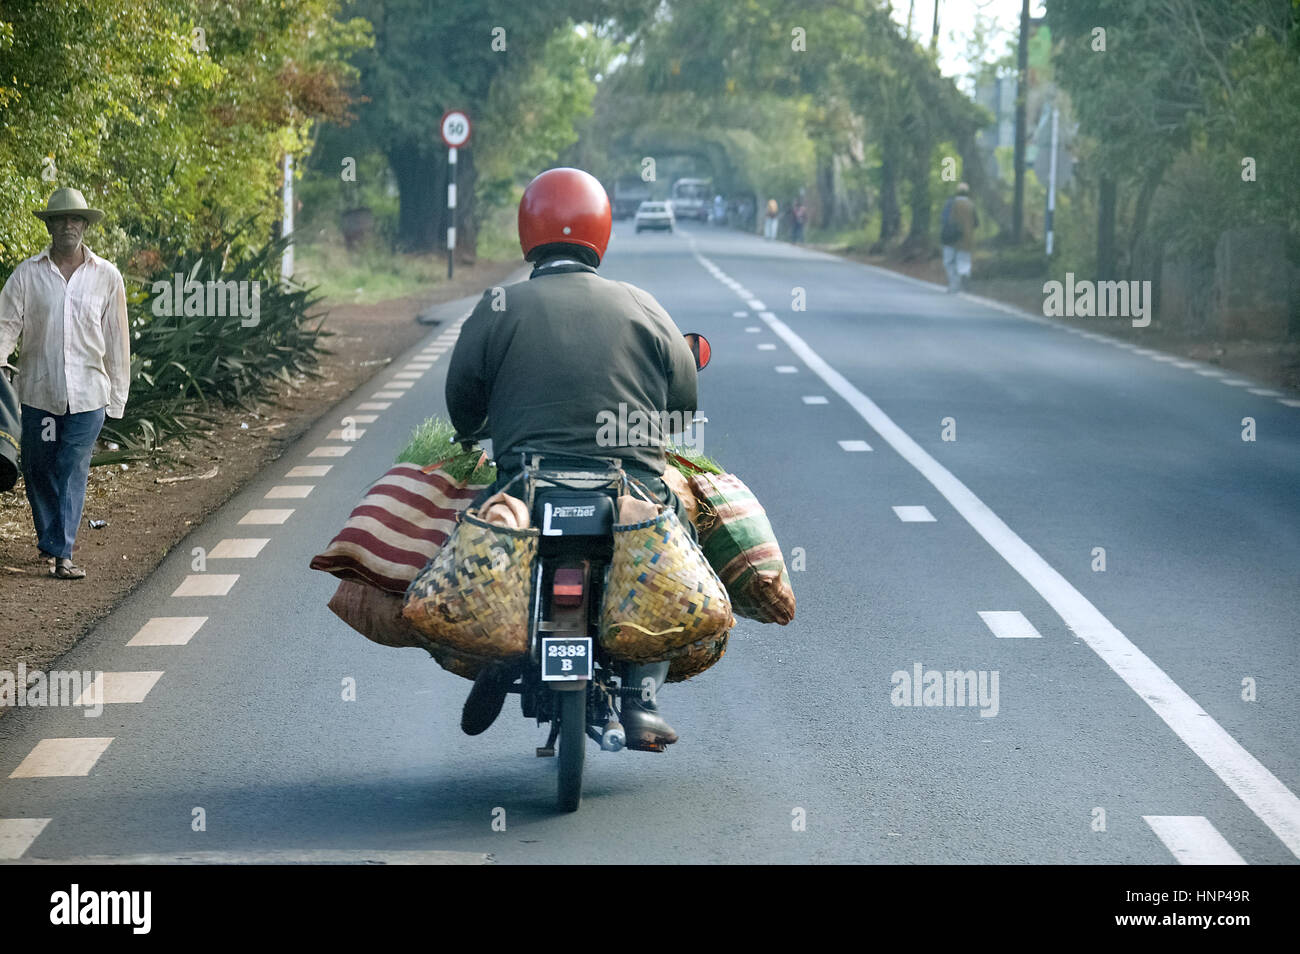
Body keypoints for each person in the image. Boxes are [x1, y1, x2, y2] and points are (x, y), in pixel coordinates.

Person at [445, 167, 699, 750]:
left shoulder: (499, 303)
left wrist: (481, 432)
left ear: (526, 230)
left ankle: (497, 654)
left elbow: (463, 404)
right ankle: (642, 699)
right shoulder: (643, 305)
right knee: (674, 551)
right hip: (629, 491)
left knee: (477, 541)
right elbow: (682, 407)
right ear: (602, 232)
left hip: (526, 488)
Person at [0, 188, 130, 579]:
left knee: (72, 465)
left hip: (89, 395)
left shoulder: (106, 276)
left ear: (86, 226)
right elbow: (7, 324)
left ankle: (62, 554)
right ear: (50, 226)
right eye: (60, 219)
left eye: (75, 219)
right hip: (41, 394)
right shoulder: (28, 273)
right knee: (40, 466)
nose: (68, 226)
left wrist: (116, 399)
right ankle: (51, 538)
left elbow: (117, 340)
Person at [940, 182, 978, 292]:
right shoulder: (971, 205)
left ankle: (954, 283)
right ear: (967, 193)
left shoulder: (951, 203)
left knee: (949, 262)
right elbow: (976, 223)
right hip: (966, 239)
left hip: (951, 239)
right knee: (964, 261)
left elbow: (944, 219)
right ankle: (964, 275)